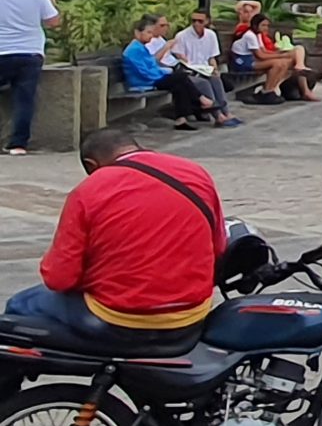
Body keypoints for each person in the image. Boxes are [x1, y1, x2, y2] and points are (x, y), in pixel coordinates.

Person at [5, 127, 224, 347]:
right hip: (191, 316)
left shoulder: (89, 190)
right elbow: (218, 247)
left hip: (118, 318)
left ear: (92, 165)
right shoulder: (195, 173)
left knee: (19, 305)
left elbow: (59, 279)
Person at [120, 15, 233, 130]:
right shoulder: (134, 50)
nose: (151, 36)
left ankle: (182, 119)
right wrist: (165, 73)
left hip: (152, 78)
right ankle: (202, 100)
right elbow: (145, 72)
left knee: (180, 85)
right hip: (143, 82)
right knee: (181, 78)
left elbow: (152, 65)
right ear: (137, 33)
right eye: (148, 33)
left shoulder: (141, 47)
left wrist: (164, 72)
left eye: (151, 33)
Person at [0, 0, 59, 156]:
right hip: (30, 53)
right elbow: (53, 22)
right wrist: (52, 4)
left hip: (1, 51)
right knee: (24, 99)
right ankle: (18, 144)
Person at [232, 13, 316, 104]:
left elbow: (264, 51)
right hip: (243, 61)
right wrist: (282, 55)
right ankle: (266, 91)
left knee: (285, 62)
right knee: (278, 64)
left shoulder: (258, 35)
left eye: (267, 25)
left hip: (253, 59)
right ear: (255, 25)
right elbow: (261, 55)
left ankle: (271, 89)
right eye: (263, 25)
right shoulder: (250, 36)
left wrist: (280, 53)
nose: (266, 28)